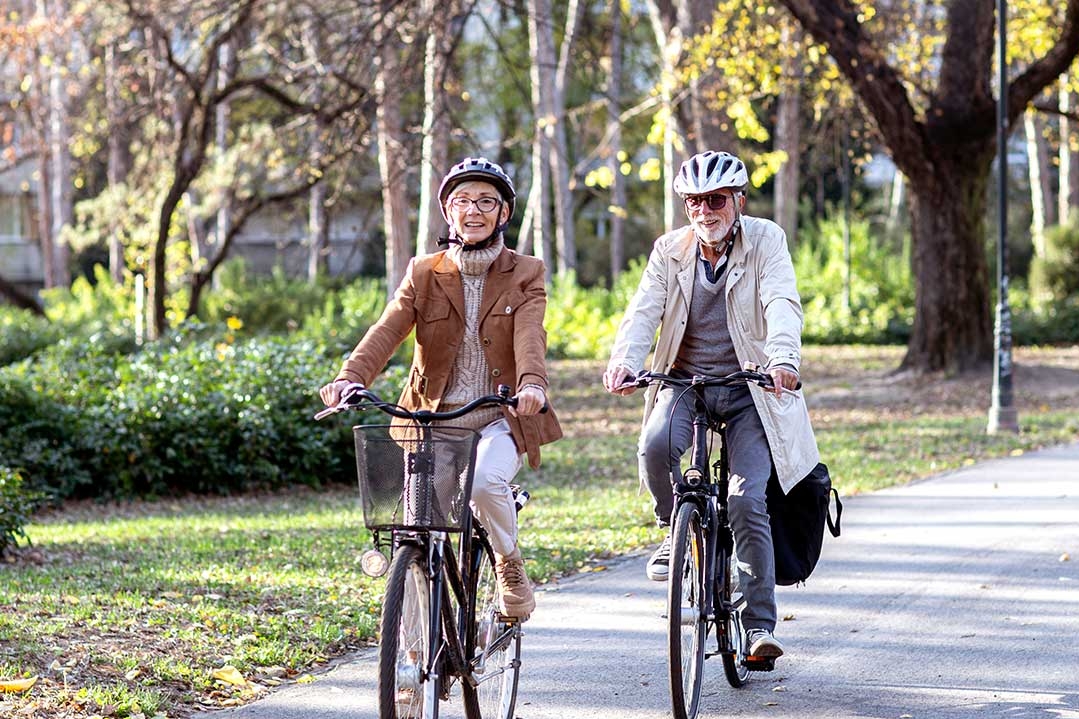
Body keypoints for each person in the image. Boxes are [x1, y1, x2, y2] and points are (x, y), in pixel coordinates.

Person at [320, 157, 562, 621]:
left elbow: (532, 336)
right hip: (430, 423)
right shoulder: (424, 271)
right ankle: (413, 664)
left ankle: (509, 564)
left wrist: (532, 384)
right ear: (448, 211)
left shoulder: (526, 271)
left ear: (503, 213)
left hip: (498, 415)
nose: (474, 211)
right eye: (462, 201)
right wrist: (351, 377)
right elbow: (386, 330)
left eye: (486, 202)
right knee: (414, 533)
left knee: (487, 483)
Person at [602, 150, 819, 659]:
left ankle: (759, 626)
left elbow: (780, 300)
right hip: (685, 382)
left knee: (747, 500)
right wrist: (624, 361)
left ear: (738, 201)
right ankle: (671, 529)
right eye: (694, 202)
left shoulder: (765, 239)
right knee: (656, 447)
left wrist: (783, 357)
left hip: (752, 388)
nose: (705, 211)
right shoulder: (669, 251)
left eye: (716, 200)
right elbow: (643, 311)